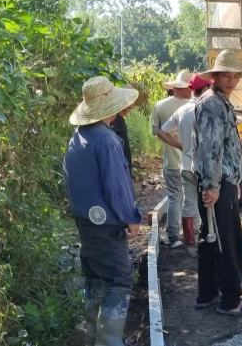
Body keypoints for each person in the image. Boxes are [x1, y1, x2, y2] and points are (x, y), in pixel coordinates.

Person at [63, 76, 141, 346]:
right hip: (107, 226)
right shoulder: (107, 141)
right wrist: (131, 218)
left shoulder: (77, 139)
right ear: (111, 108)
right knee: (118, 281)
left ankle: (93, 337)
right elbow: (117, 188)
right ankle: (109, 341)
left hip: (85, 223)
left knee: (96, 280)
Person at [194, 49, 242, 316]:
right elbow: (211, 149)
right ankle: (231, 301)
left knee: (211, 241)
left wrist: (231, 180)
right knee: (226, 242)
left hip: (222, 181)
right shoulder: (212, 104)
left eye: (235, 76)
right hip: (217, 184)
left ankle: (208, 294)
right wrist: (213, 186)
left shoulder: (220, 102)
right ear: (215, 76)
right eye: (226, 75)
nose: (231, 81)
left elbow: (225, 149)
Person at [159, 73, 213, 257]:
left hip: (186, 164)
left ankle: (190, 242)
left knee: (189, 202)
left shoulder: (182, 110)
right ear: (205, 89)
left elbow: (163, 131)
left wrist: (180, 146)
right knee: (209, 202)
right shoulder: (207, 109)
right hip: (205, 166)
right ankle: (209, 236)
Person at [150, 70, 191, 248]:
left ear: (174, 86)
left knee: (175, 197)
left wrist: (175, 144)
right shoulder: (195, 105)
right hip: (193, 163)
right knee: (192, 198)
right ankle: (193, 233)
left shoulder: (160, 106)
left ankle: (174, 236)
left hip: (172, 163)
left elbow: (156, 131)